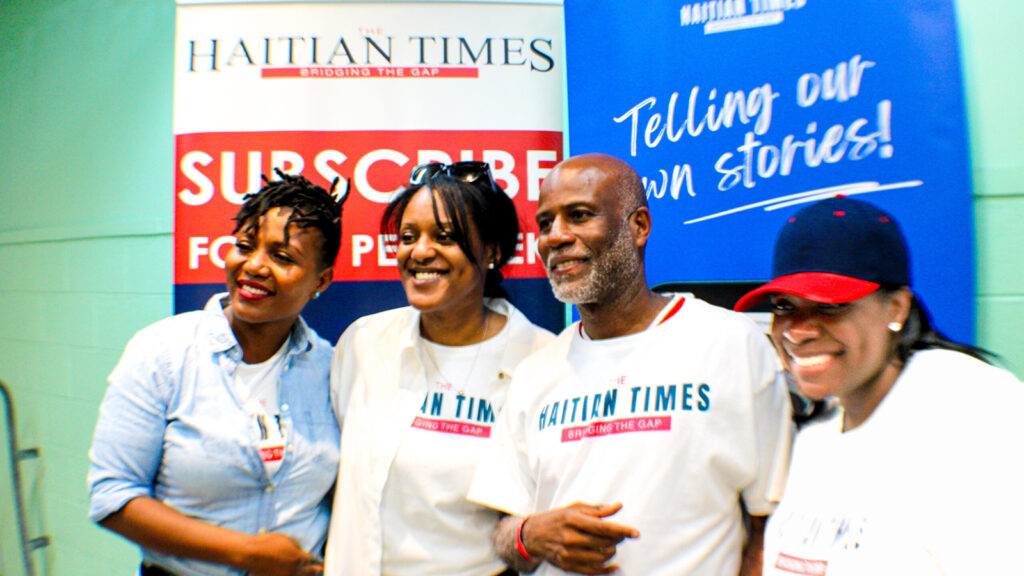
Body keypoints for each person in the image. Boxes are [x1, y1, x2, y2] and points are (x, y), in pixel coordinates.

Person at [467, 153, 792, 576]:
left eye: (579, 215)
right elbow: (503, 532)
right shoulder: (535, 372)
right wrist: (530, 535)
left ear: (639, 226)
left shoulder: (732, 344)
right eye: (545, 224)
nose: (555, 238)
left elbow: (772, 522)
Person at [733, 196, 1024, 575]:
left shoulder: (972, 412)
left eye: (831, 306)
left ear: (896, 308)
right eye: (785, 306)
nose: (799, 330)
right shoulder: (818, 434)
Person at [88, 171, 347, 576]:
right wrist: (246, 552)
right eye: (245, 246)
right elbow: (113, 497)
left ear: (322, 280)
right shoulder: (162, 353)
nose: (254, 266)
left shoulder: (331, 368)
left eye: (282, 257)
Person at [323, 161, 554, 576]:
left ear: (494, 251)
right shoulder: (363, 342)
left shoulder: (542, 361)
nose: (420, 251)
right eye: (408, 237)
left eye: (445, 237)